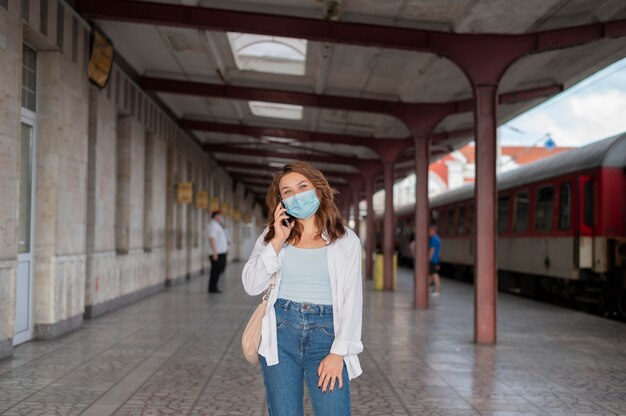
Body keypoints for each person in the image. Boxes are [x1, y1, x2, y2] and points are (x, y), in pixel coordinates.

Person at [242, 161, 363, 416]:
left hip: (327, 336)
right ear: (281, 202)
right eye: (287, 192)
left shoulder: (345, 240)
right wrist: (276, 240)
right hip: (281, 332)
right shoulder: (272, 236)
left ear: (318, 189)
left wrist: (338, 353)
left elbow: (352, 299)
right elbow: (251, 285)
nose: (297, 195)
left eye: (302, 186)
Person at [207, 210, 228, 293]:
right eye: (220, 216)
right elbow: (211, 238)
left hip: (219, 252)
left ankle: (213, 287)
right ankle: (212, 288)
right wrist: (214, 252)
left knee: (217, 270)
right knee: (215, 270)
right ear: (215, 217)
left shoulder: (216, 225)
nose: (221, 218)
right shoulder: (213, 225)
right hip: (217, 253)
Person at [428, 224, 441, 297]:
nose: (428, 232)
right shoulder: (438, 239)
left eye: (429, 231)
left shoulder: (433, 239)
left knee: (434, 274)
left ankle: (437, 290)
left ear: (433, 231)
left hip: (433, 259)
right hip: (436, 258)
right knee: (430, 275)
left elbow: (432, 250)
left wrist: (428, 258)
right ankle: (427, 288)